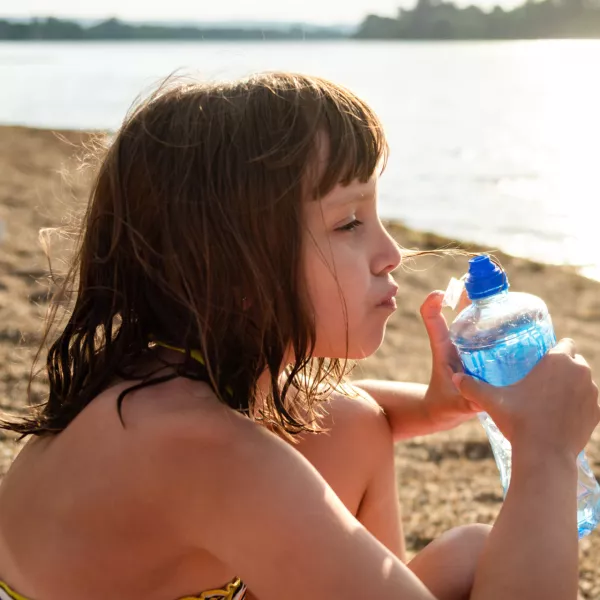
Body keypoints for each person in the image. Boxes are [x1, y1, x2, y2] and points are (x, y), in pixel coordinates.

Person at [0, 72, 597, 600]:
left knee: (366, 434)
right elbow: (243, 454)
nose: (391, 254)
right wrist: (546, 453)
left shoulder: (157, 381)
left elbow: (346, 408)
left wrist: (435, 406)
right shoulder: (214, 457)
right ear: (233, 270)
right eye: (349, 223)